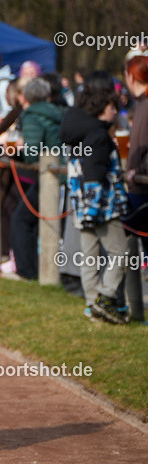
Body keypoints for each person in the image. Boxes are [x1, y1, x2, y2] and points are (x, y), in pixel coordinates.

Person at [60, 76, 130, 324]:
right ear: (102, 109)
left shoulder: (78, 133)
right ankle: (106, 297)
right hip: (102, 208)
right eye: (113, 108)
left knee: (89, 257)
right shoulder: (99, 136)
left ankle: (93, 306)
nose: (116, 112)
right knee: (121, 253)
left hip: (82, 206)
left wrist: (86, 211)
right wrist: (94, 210)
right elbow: (95, 176)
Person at [0, 78, 63, 280]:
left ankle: (26, 271)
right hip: (58, 172)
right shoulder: (55, 112)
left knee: (20, 220)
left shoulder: (32, 115)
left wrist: (10, 152)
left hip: (49, 175)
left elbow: (31, 153)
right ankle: (35, 269)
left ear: (26, 96)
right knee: (32, 220)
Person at [124, 55, 148, 257]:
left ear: (131, 77)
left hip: (141, 185)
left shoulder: (145, 105)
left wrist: (138, 170)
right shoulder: (140, 104)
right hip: (138, 183)